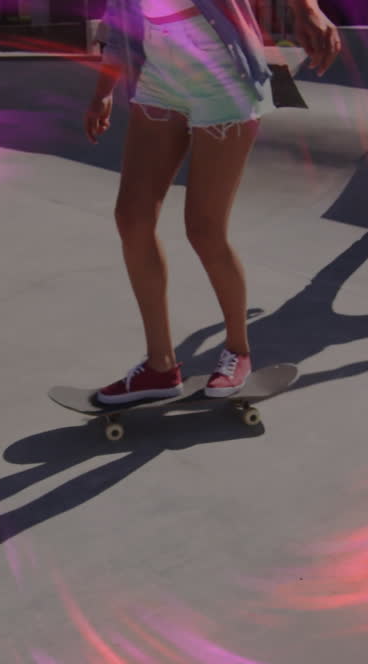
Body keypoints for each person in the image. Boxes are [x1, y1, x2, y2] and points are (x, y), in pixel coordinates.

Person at [85, 0, 341, 404]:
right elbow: (118, 26)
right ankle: (159, 366)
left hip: (223, 79)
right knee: (132, 218)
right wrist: (103, 93)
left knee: (204, 230)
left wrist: (307, 8)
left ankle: (238, 350)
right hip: (160, 78)